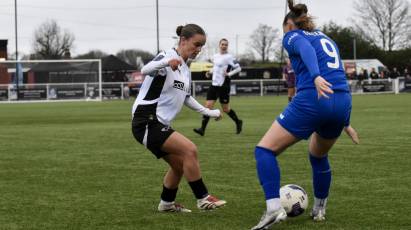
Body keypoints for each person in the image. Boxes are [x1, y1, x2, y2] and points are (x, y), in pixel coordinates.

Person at [251, 1, 353, 229]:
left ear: (288, 24)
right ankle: (319, 209)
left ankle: (273, 209)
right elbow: (338, 74)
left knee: (264, 150)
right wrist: (346, 120)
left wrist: (315, 76)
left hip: (314, 98)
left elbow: (305, 49)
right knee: (318, 156)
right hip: (342, 101)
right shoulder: (326, 38)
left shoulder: (292, 35)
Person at [131, 24, 226, 213]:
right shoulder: (168, 56)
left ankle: (166, 204)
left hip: (158, 123)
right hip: (146, 120)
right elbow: (145, 69)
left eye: (201, 46)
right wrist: (166, 63)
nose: (198, 50)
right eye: (196, 44)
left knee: (179, 165)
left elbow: (186, 98)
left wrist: (209, 112)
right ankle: (203, 198)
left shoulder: (185, 70)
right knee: (190, 150)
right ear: (183, 40)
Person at [193, 38, 243, 136]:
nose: (224, 46)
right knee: (207, 107)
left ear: (227, 46)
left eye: (226, 45)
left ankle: (238, 122)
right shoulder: (215, 56)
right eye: (222, 44)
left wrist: (229, 74)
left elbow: (238, 68)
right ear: (219, 45)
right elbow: (216, 68)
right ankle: (202, 129)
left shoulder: (229, 57)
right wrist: (209, 72)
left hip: (223, 86)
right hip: (214, 85)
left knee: (226, 109)